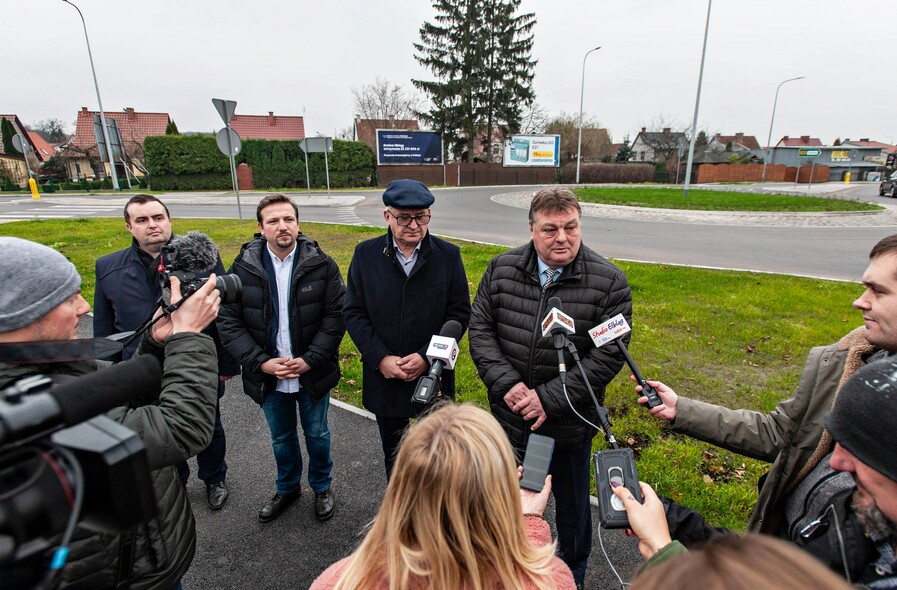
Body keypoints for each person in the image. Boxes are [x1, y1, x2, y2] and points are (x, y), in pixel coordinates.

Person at [632, 234, 897, 546]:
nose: (860, 300)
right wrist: (683, 409)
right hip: (784, 546)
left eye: (877, 291)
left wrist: (668, 548)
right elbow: (781, 433)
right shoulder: (845, 360)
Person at [0, 237, 221, 589]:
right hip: (121, 575)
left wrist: (157, 343)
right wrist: (189, 335)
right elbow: (181, 429)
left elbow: (124, 405)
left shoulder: (49, 363)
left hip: (140, 557)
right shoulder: (23, 407)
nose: (82, 306)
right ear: (20, 315)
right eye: (67, 298)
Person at [614, 355, 897, 588]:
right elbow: (778, 574)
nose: (834, 464)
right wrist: (674, 520)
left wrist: (663, 553)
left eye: (859, 448)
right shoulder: (856, 524)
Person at [468, 187, 632, 587]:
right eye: (551, 229)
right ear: (531, 229)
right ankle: (505, 572)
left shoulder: (609, 281)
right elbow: (481, 330)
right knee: (509, 505)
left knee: (573, 513)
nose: (562, 238)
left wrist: (548, 398)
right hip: (510, 422)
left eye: (571, 228)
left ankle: (570, 577)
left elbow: (609, 355)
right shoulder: (501, 269)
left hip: (568, 426)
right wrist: (507, 384)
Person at [309, 403, 576, 590]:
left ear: (401, 489)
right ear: (499, 493)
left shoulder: (339, 581)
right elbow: (530, 574)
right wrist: (529, 520)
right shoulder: (551, 580)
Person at [93, 194, 240, 511]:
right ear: (129, 226)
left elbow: (224, 315)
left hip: (197, 362)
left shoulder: (202, 258)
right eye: (142, 220)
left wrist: (226, 363)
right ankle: (177, 480)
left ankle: (215, 478)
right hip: (141, 368)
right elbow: (104, 330)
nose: (152, 225)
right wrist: (112, 376)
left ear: (169, 220)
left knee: (208, 425)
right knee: (156, 432)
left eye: (158, 217)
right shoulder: (108, 268)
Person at [217, 193, 345, 523]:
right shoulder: (243, 267)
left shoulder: (322, 265)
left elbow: (336, 316)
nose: (282, 226)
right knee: (281, 437)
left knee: (317, 434)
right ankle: (287, 487)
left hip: (311, 371)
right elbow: (228, 319)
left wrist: (311, 359)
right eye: (273, 221)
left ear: (298, 224)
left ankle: (321, 486)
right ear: (261, 228)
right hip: (268, 373)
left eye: (288, 219)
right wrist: (260, 362)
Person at [343, 179, 470, 477]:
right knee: (395, 459)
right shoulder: (365, 255)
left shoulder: (448, 256)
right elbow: (353, 312)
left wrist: (427, 356)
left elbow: (460, 312)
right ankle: (400, 515)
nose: (414, 225)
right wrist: (379, 358)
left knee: (439, 457)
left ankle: (436, 515)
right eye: (404, 218)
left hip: (432, 375)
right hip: (385, 378)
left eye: (421, 216)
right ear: (387, 216)